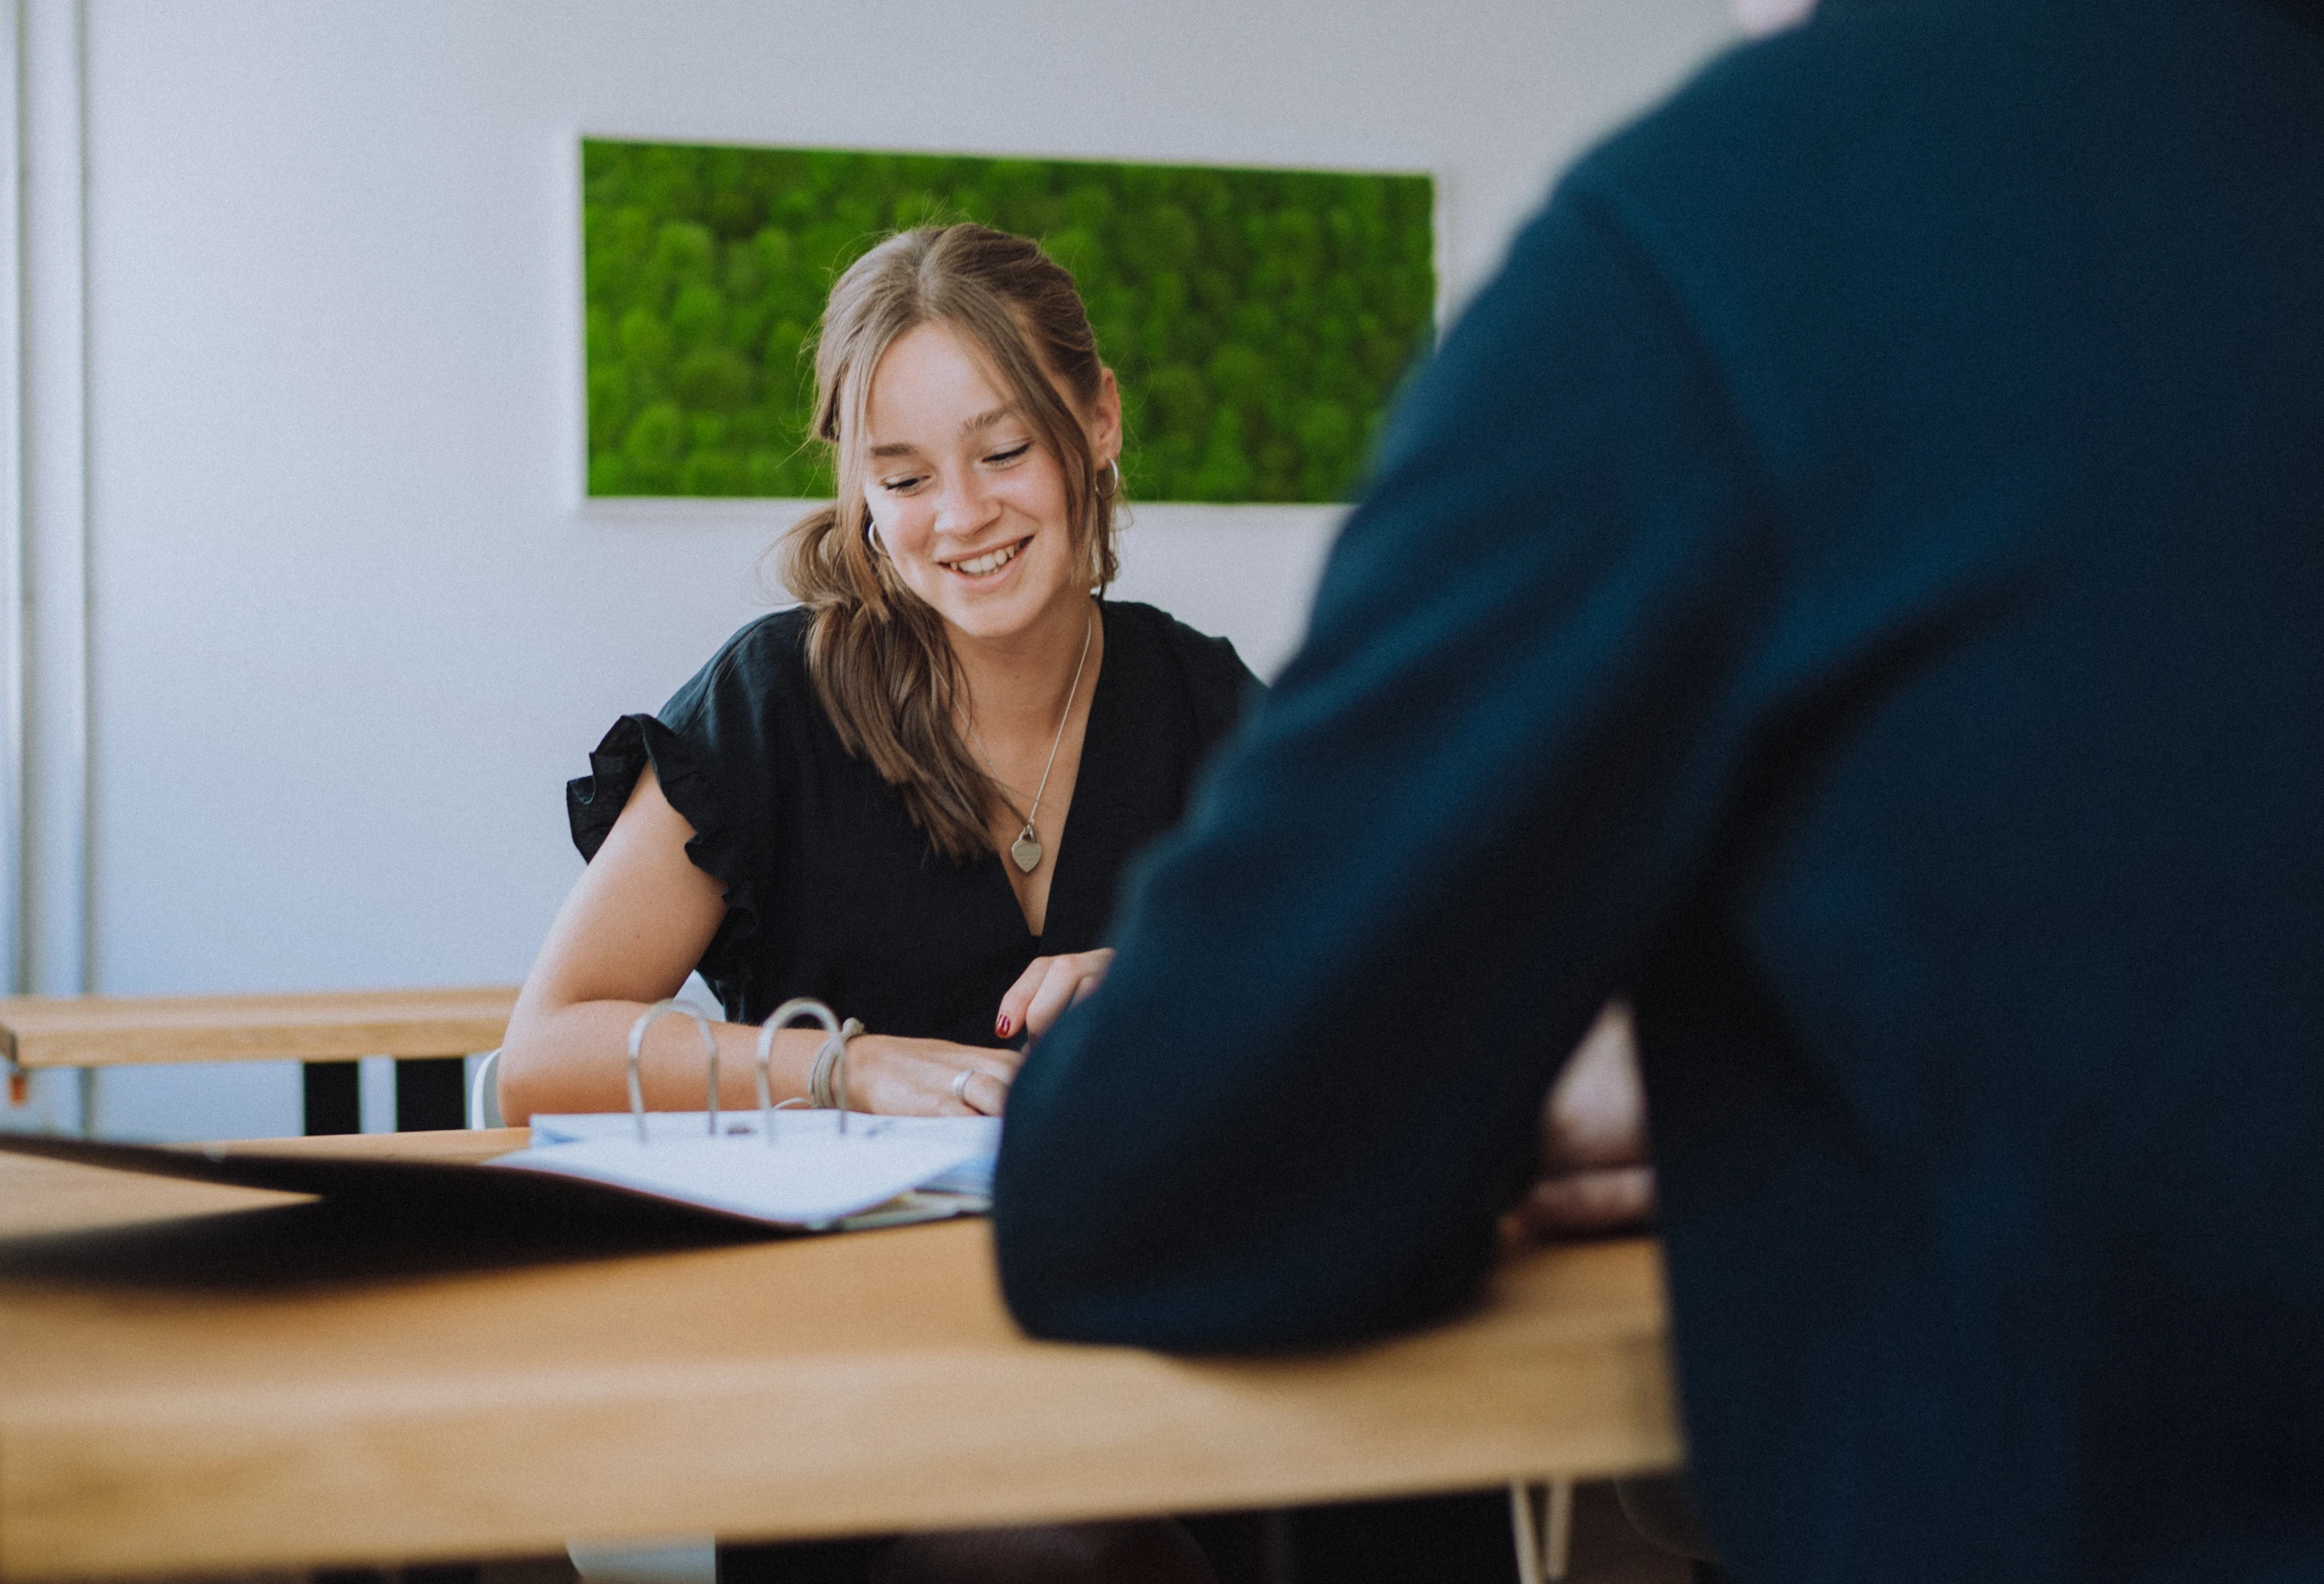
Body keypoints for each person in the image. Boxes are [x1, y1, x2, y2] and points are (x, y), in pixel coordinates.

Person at [989, 0, 2324, 1582]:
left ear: (1096, 434)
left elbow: (1148, 1180)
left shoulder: (1735, 244)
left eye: (999, 449)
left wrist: (1534, 1065)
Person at [501, 223, 1253, 1584]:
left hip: (1153, 1351)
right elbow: (539, 1055)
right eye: (901, 476)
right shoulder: (774, 703)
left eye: (1004, 451)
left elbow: (1363, 991)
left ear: (1098, 421)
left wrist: (1175, 987)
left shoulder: (1202, 702)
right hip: (852, 1402)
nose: (958, 517)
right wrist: (850, 1066)